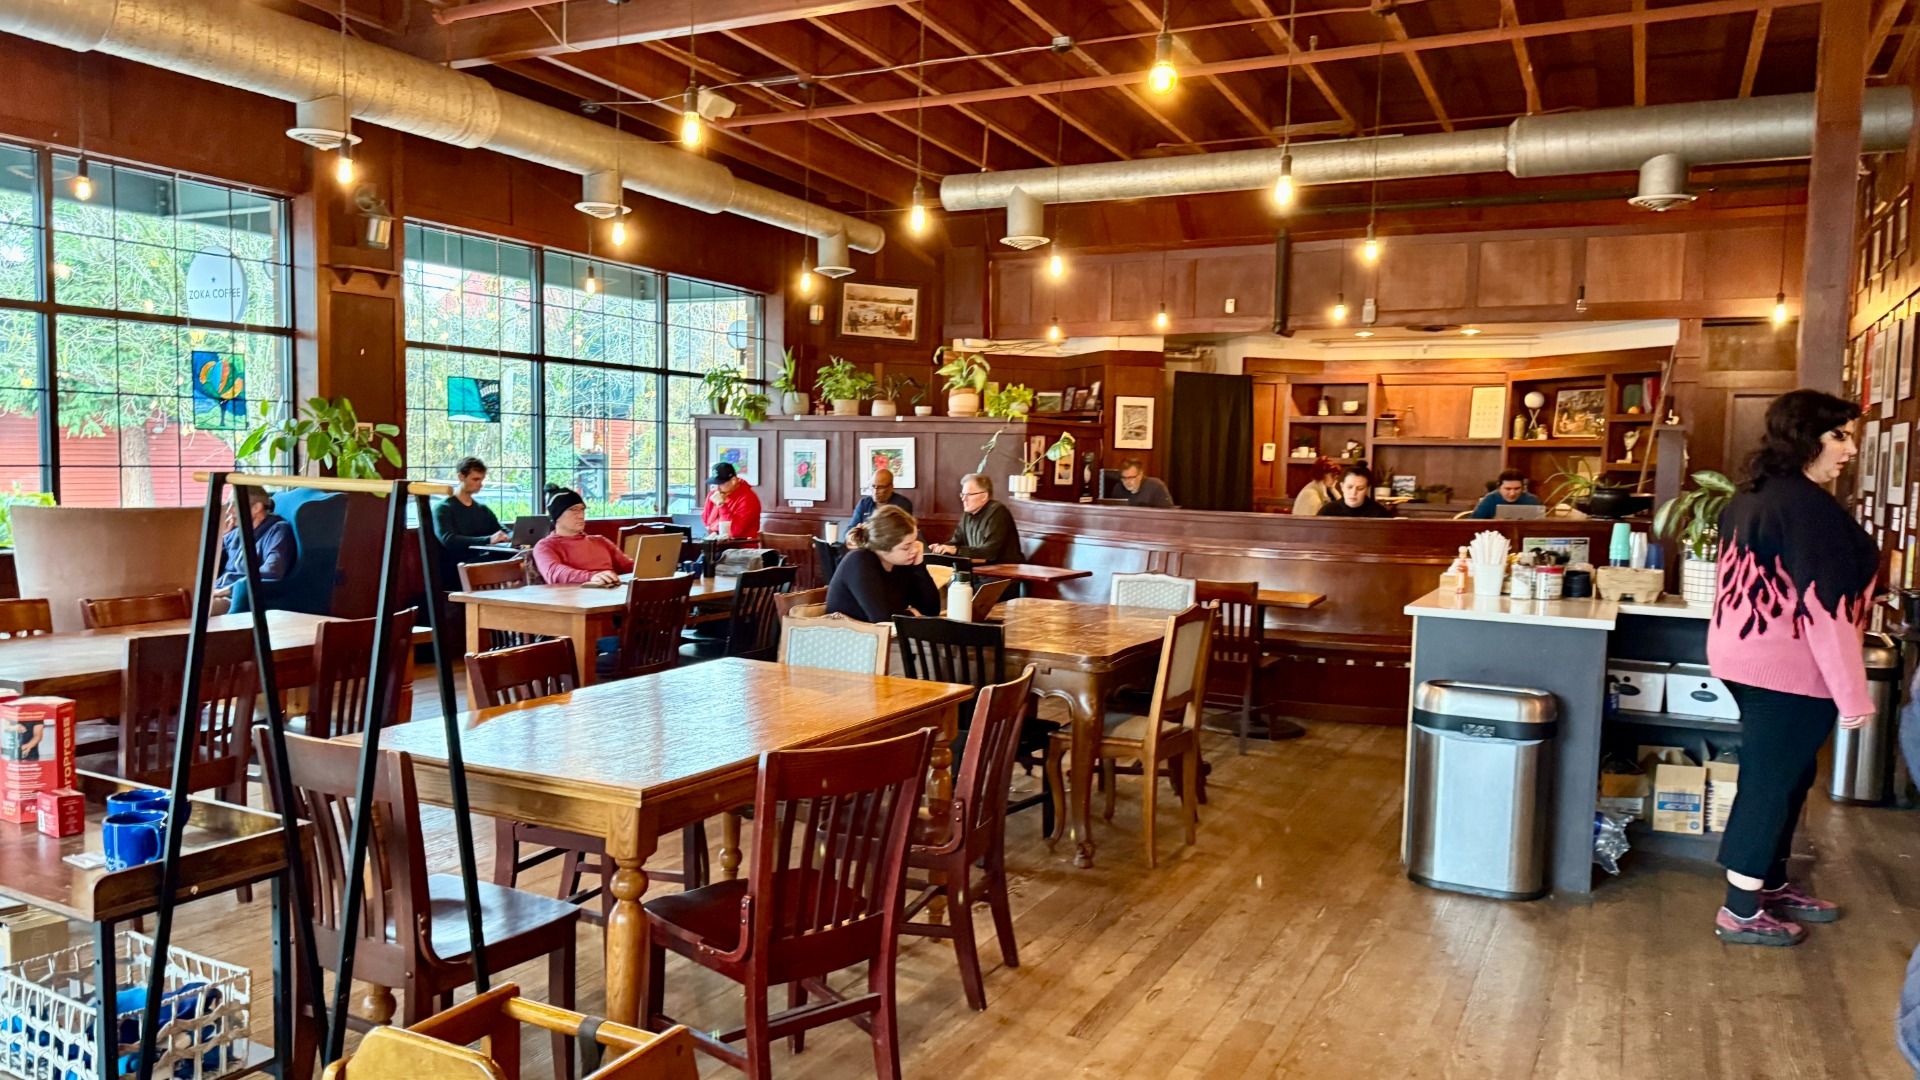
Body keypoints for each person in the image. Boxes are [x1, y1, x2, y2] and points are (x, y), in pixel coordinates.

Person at [1706, 389, 1874, 947]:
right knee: (1771, 782)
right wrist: (1853, 695)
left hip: (1746, 659)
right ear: (1806, 437)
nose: (1850, 449)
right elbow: (1826, 611)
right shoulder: (1807, 508)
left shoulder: (1754, 494)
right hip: (1788, 669)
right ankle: (1740, 910)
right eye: (1839, 436)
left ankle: (1771, 882)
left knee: (1789, 775)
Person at [825, 505, 940, 623]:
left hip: (879, 637)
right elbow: (882, 619)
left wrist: (919, 566)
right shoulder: (860, 560)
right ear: (883, 547)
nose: (915, 549)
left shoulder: (902, 562)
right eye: (906, 547)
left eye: (914, 542)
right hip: (846, 637)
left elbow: (931, 610)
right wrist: (912, 613)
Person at [211, 493, 296, 615]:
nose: (229, 511)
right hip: (215, 590)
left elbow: (273, 570)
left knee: (190, 610)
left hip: (234, 597)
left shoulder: (278, 530)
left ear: (256, 508)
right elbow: (211, 563)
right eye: (228, 505)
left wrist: (229, 589)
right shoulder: (236, 533)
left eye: (234, 504)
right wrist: (221, 536)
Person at [531, 484, 633, 586]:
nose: (581, 515)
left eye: (582, 509)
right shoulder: (545, 546)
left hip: (614, 594)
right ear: (557, 516)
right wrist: (591, 577)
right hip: (574, 598)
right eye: (574, 510)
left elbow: (630, 566)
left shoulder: (600, 541)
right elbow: (555, 573)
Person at [433, 456, 510, 575]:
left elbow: (502, 530)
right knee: (508, 565)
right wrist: (488, 539)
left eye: (482, 480)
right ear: (461, 477)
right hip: (456, 567)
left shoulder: (483, 510)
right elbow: (449, 540)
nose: (480, 484)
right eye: (475, 479)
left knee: (519, 559)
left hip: (479, 561)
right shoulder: (443, 508)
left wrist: (516, 537)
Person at [930, 473, 1023, 563]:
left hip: (1004, 572)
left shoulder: (998, 512)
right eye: (962, 494)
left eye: (968, 495)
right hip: (980, 569)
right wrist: (941, 548)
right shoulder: (968, 514)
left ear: (984, 496)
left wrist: (955, 550)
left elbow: (989, 553)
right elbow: (957, 542)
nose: (963, 499)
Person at [845, 468, 912, 538]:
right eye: (873, 486)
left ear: (891, 487)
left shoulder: (902, 504)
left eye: (881, 487)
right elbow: (849, 530)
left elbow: (899, 534)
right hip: (863, 545)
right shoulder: (864, 503)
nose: (875, 491)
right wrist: (852, 535)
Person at [702, 461, 762, 540]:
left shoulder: (748, 498)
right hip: (717, 545)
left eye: (721, 483)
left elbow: (733, 532)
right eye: (715, 483)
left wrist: (722, 506)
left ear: (733, 480)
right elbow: (707, 522)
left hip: (740, 548)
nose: (717, 488)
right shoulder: (714, 494)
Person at [1316, 465, 1395, 518]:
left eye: (1360, 488)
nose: (1353, 493)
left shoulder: (1379, 513)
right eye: (1349, 487)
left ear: (1367, 489)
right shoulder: (1327, 512)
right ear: (1342, 487)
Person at [1469, 468, 1543, 519]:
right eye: (1508, 489)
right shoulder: (1489, 499)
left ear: (1523, 488)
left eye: (1517, 489)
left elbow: (1541, 526)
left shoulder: (1533, 500)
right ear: (1499, 487)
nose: (1512, 493)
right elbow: (1473, 524)